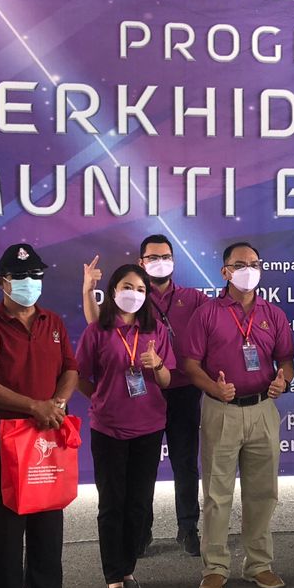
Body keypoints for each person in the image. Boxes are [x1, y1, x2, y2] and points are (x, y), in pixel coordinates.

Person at [0, 243, 78, 588]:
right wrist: (34, 406)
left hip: (44, 433)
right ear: (2, 282)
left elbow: (70, 369)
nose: (30, 282)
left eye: (36, 276)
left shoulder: (53, 322)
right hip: (1, 435)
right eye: (21, 276)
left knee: (48, 519)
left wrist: (56, 404)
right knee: (2, 525)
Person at [85, 235, 209, 556]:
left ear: (174, 260)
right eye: (153, 257)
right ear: (142, 262)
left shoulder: (193, 298)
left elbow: (216, 326)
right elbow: (99, 326)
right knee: (143, 469)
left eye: (166, 256)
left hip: (182, 391)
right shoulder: (134, 296)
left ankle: (188, 528)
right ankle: (141, 531)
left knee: (185, 463)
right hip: (142, 395)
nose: (160, 262)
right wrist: (87, 290)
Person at [183, 242, 294, 588]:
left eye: (254, 264)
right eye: (240, 264)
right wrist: (214, 389)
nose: (249, 270)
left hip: (263, 409)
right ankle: (215, 567)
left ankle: (258, 564)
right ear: (225, 272)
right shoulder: (206, 314)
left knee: (263, 492)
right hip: (221, 411)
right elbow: (190, 365)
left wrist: (283, 380)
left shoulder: (273, 313)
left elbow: (286, 359)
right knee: (217, 494)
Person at [75, 264, 176, 588]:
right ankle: (113, 576)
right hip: (109, 429)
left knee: (139, 503)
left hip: (149, 427)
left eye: (141, 289)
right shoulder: (98, 331)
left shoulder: (155, 330)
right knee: (112, 503)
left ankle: (128, 567)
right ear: (114, 291)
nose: (134, 294)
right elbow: (80, 376)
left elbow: (167, 380)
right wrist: (101, 398)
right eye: (127, 287)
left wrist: (156, 364)